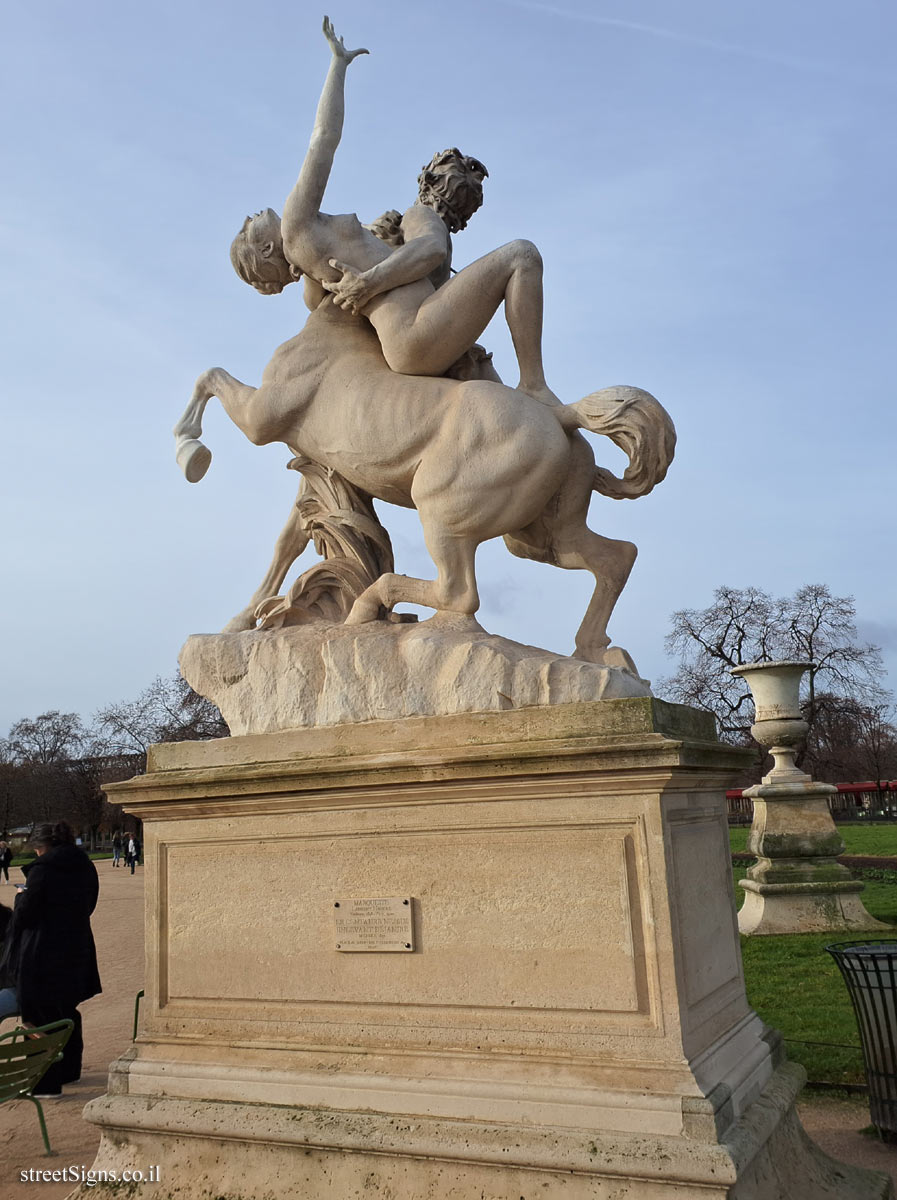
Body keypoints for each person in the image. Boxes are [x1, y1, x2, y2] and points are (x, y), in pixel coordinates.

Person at [229, 17, 559, 409]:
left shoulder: (311, 274)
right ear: (267, 249)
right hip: (415, 331)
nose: (252, 215)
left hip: (414, 334)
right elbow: (323, 139)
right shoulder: (297, 223)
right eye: (249, 226)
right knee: (522, 256)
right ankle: (535, 385)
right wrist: (338, 66)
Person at [0, 821, 101, 1095]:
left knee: (39, 1014)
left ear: (40, 847)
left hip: (42, 953)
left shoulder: (43, 871)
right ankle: (69, 1071)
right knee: (66, 1010)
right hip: (76, 946)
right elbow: (89, 904)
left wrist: (21, 897)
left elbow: (24, 917)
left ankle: (45, 1082)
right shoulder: (85, 866)